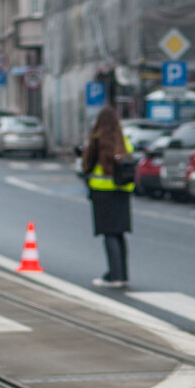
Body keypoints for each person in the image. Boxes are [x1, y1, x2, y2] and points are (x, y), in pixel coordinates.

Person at [82, 102, 134, 288]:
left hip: (102, 192)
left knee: (109, 233)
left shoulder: (98, 139)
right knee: (119, 234)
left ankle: (114, 276)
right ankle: (122, 274)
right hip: (122, 192)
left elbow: (87, 164)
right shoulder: (123, 140)